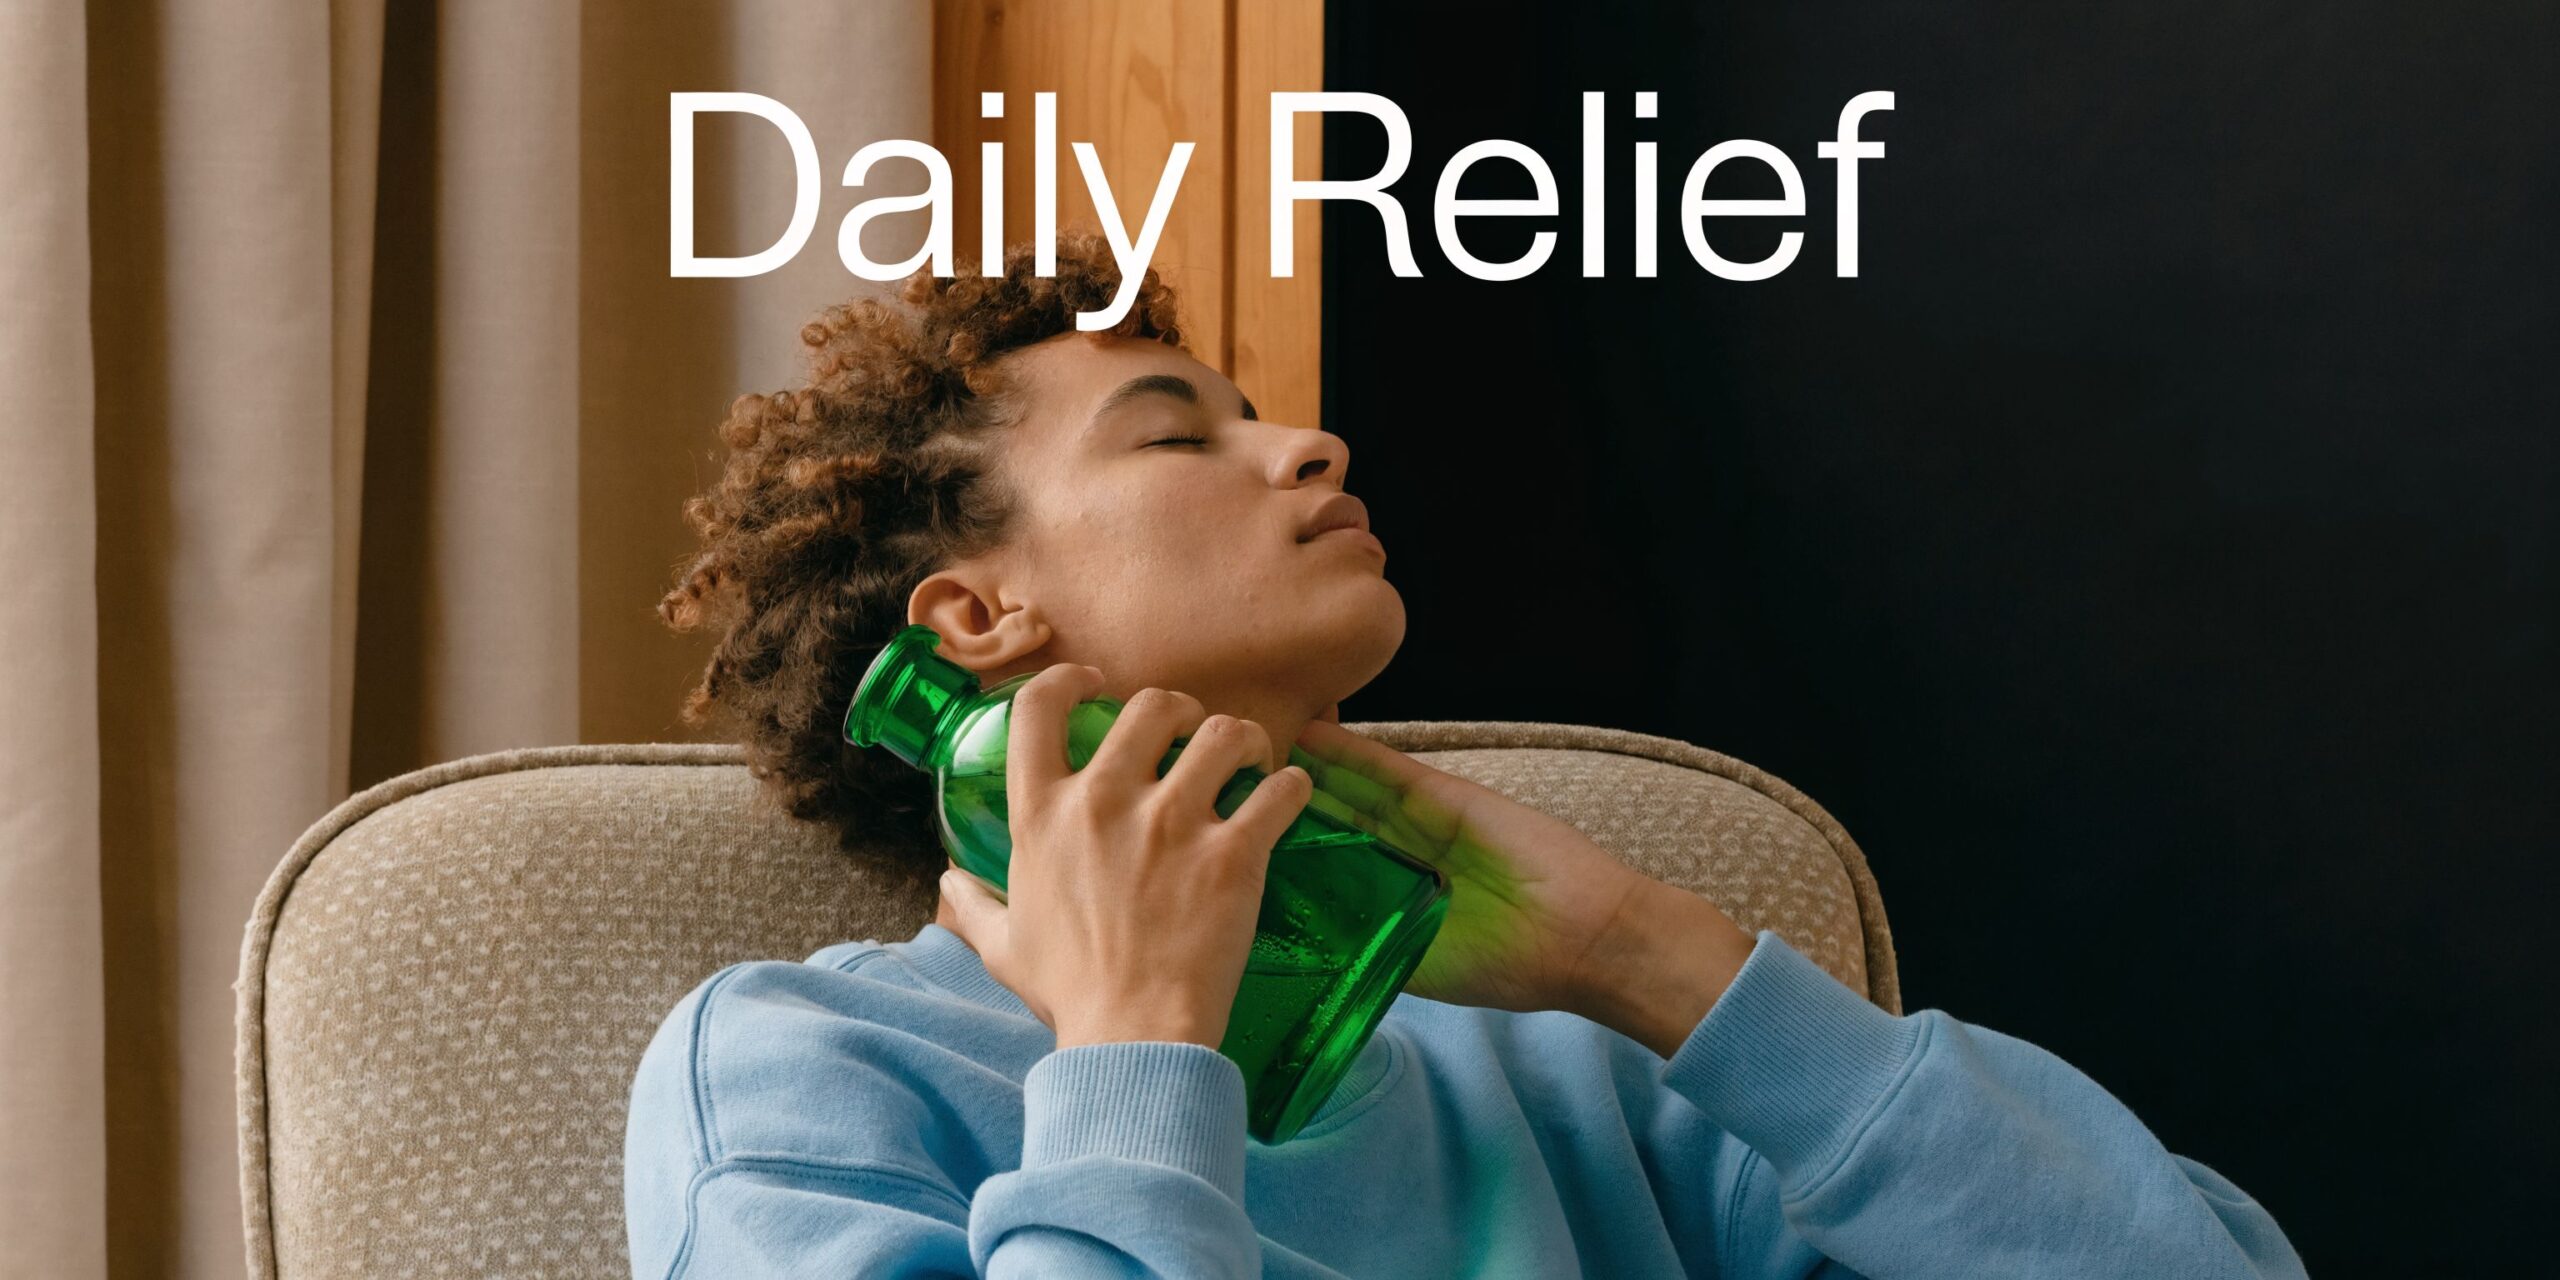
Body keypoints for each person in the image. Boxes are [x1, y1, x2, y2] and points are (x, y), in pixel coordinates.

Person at [621, 235, 2308, 1278]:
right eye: (1175, 432)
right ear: (976, 614)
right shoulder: (806, 1065)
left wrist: (1652, 961)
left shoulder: (1578, 1070)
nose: (1309, 441)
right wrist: (1137, 1047)